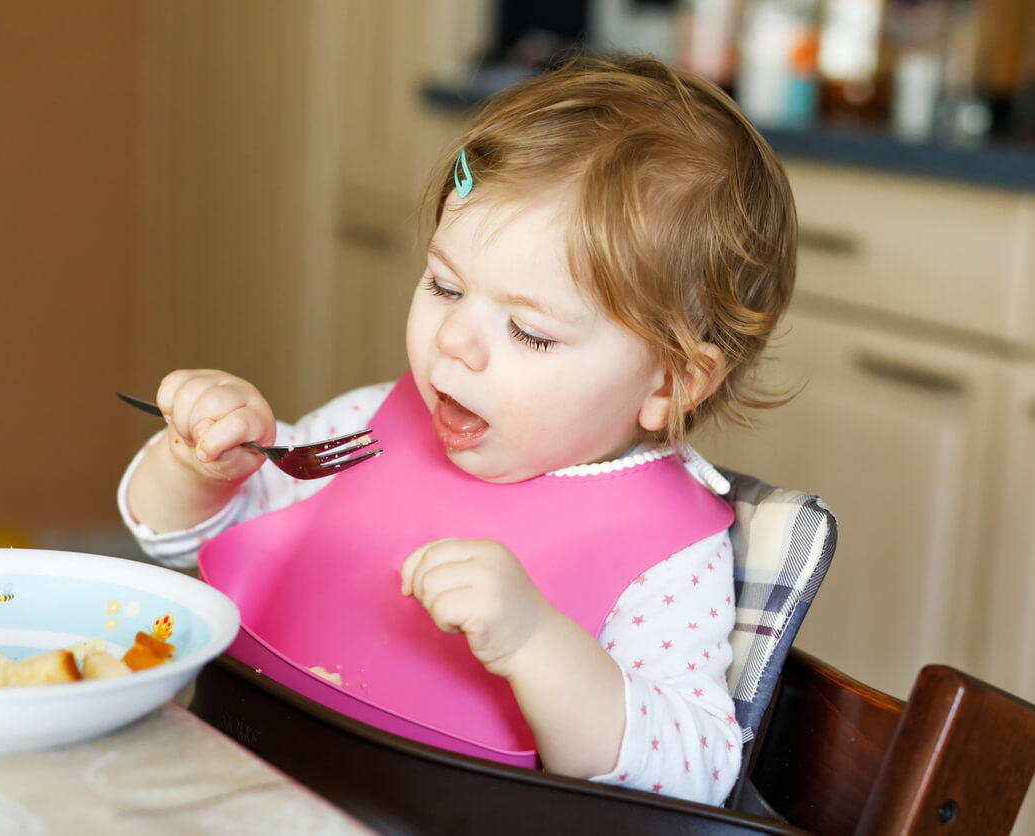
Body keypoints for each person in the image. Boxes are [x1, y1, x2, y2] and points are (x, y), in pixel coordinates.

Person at [119, 52, 797, 806]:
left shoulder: (668, 553)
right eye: (445, 286)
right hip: (234, 781)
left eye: (529, 331)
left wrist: (534, 643)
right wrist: (200, 467)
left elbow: (696, 776)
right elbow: (189, 542)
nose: (453, 341)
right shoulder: (370, 426)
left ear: (670, 381)